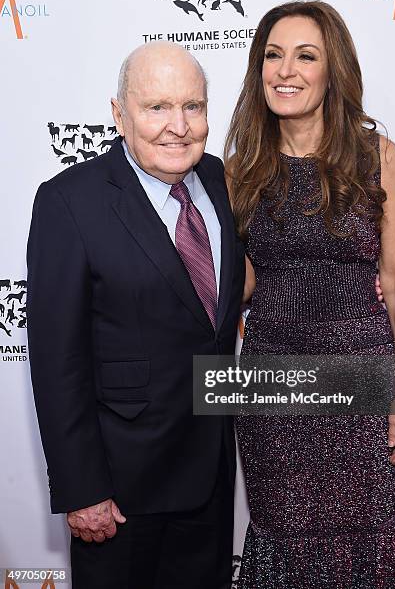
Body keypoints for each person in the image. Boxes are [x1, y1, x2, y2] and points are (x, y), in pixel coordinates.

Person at [27, 42, 245, 589]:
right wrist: (82, 490)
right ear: (119, 114)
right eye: (156, 108)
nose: (178, 126)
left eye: (192, 107)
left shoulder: (221, 181)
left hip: (212, 477)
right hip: (121, 491)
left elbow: (228, 293)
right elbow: (57, 362)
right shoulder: (69, 201)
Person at [225, 1, 395, 587]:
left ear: (332, 70)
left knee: (366, 535)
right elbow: (246, 283)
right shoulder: (241, 169)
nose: (286, 70)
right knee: (280, 530)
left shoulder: (376, 157)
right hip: (270, 384)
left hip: (360, 379)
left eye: (305, 55)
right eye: (273, 56)